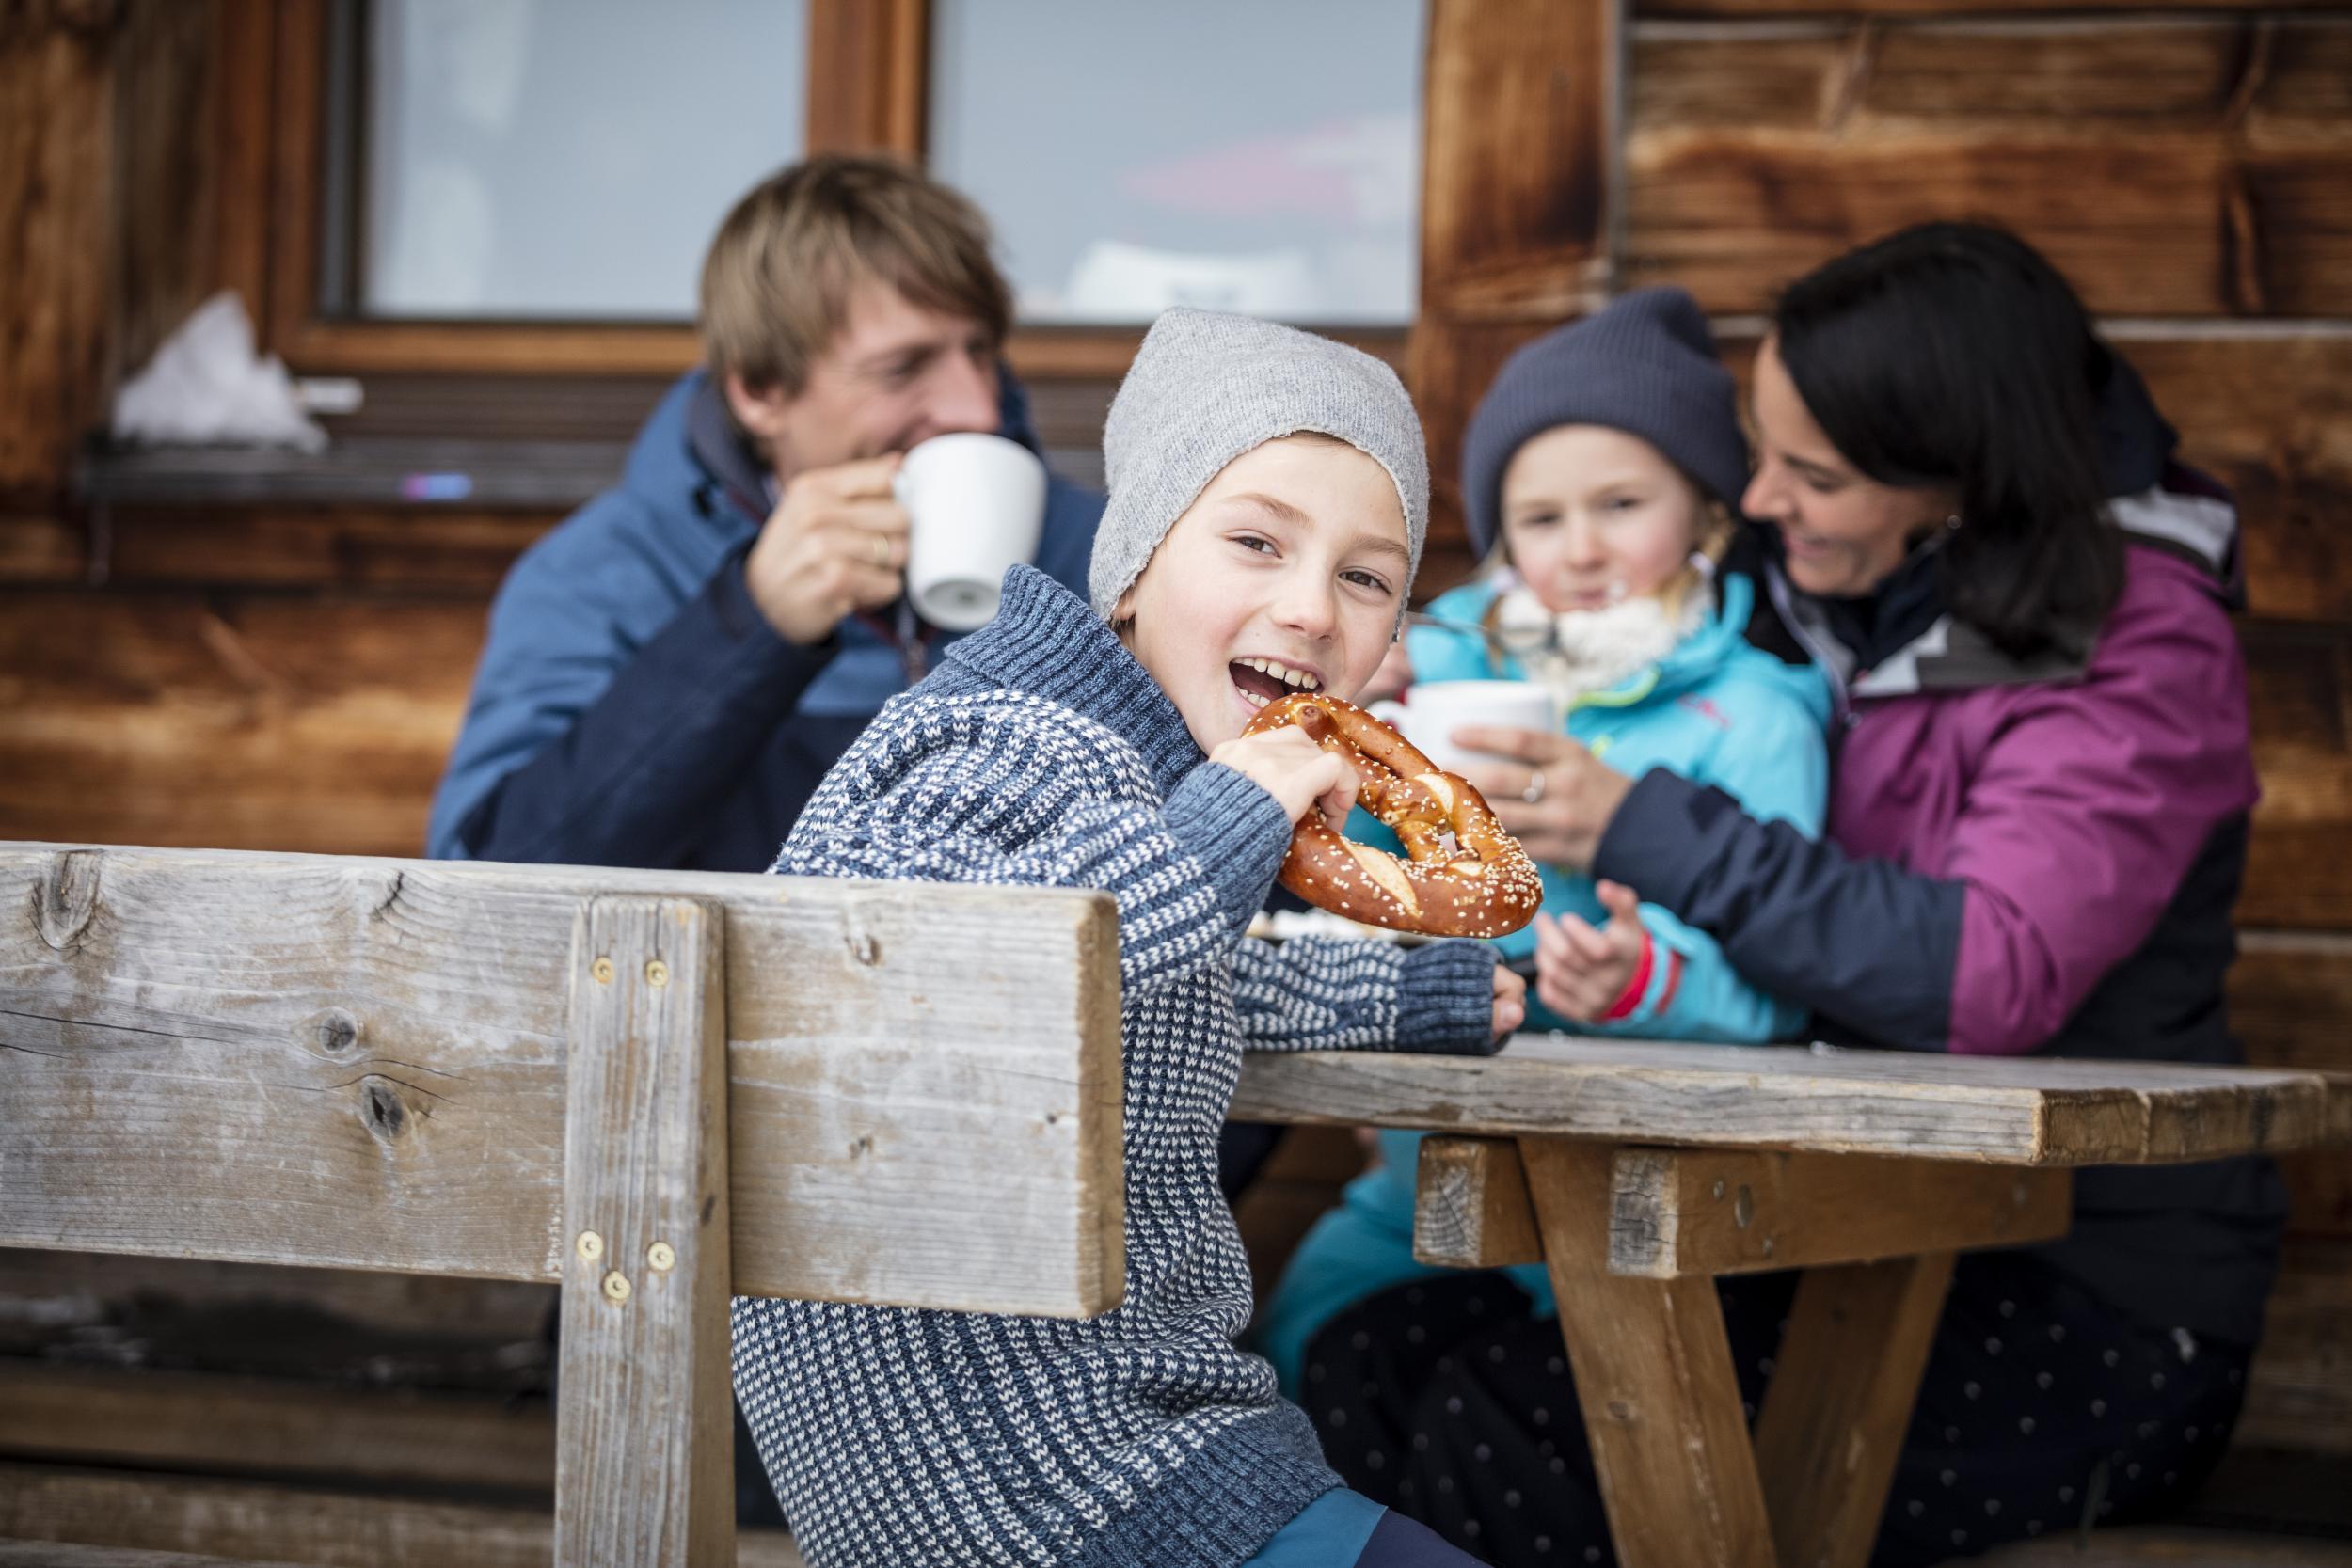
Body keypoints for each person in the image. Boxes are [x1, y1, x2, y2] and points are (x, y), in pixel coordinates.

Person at [1308, 224, 2285, 1567]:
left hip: (2078, 1287)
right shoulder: (1836, 580)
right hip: (1830, 1229)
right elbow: (1572, 602)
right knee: (1369, 1359)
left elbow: (1989, 972)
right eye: (1760, 451)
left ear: (1956, 478)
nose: (1758, 499)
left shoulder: (2132, 640)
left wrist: (1641, 821)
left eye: (1809, 473)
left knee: (1511, 1427)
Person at [732, 309, 1527, 1568]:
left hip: (1097, 1435)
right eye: (1256, 540)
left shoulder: (1134, 782)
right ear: (1137, 559)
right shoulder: (989, 737)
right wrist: (1249, 803)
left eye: (1367, 576)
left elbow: (1165, 975)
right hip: (1018, 1461)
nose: (1312, 607)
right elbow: (1016, 975)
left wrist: (1415, 985)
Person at [1252, 288, 1831, 1400]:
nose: (1582, 548)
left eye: (1621, 502)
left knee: (1576, 1402)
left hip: (1641, 1176)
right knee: (1301, 1347)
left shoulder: (1755, 712)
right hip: (1428, 1153)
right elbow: (1360, 880)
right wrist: (1361, 737)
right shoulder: (1460, 663)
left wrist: (1642, 975)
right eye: (1542, 517)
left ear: (1708, 511)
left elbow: (1777, 995)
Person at [426, 154, 1104, 872]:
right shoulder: (601, 574)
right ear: (759, 390)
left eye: (980, 352)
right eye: (903, 369)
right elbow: (487, 870)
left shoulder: (1097, 556)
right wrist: (750, 627)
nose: (976, 407)